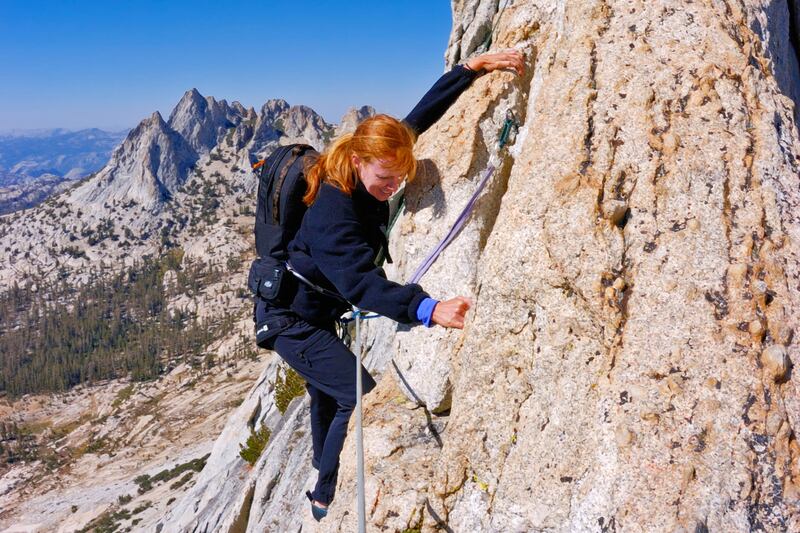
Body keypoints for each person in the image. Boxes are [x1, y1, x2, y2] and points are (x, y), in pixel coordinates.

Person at [253, 50, 524, 520]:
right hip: (289, 321)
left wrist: (469, 70)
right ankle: (326, 494)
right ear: (359, 161)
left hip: (311, 311)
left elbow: (417, 118)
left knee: (325, 392)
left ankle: (320, 466)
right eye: (385, 177)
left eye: (401, 176)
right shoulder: (332, 211)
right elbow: (362, 285)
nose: (394, 185)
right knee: (355, 393)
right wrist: (428, 309)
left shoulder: (376, 155)